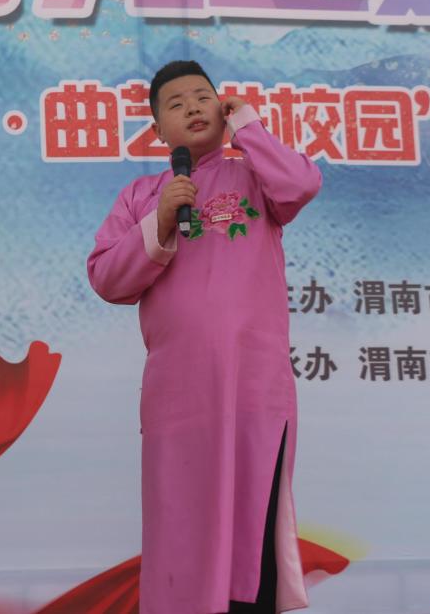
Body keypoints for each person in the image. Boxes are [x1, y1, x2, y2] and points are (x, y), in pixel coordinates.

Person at [87, 61, 322, 614]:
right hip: (180, 396)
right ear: (157, 131)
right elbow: (106, 278)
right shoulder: (142, 195)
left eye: (202, 97)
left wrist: (250, 127)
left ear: (223, 109)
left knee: (253, 528)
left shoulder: (255, 175)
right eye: (175, 104)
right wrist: (160, 221)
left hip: (254, 389)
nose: (192, 107)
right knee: (183, 527)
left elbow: (301, 184)